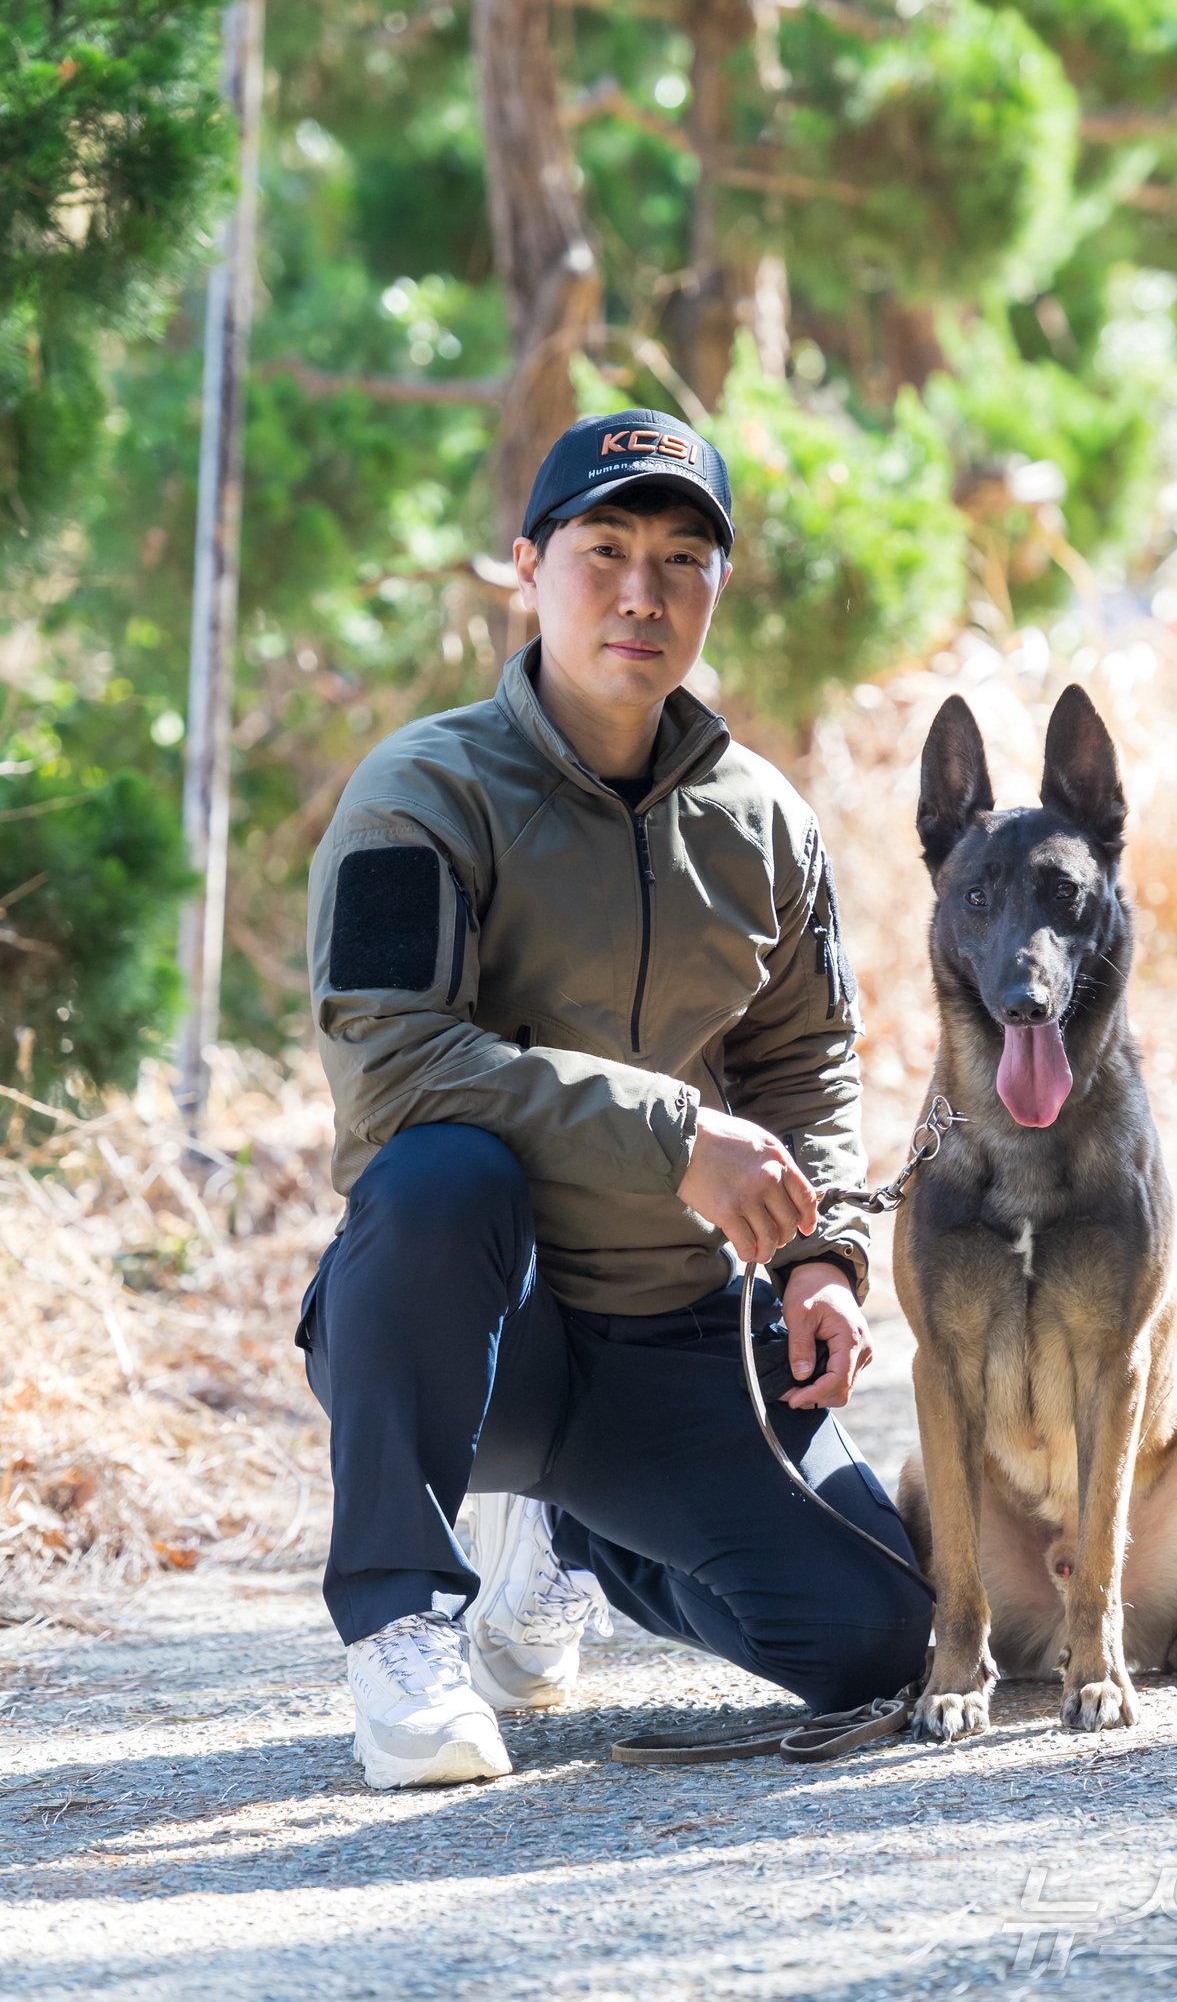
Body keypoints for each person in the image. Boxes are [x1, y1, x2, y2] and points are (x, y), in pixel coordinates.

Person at [300, 408, 931, 1789]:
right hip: (476, 1328)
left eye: (681, 558)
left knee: (883, 1639)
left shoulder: (765, 822)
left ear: (718, 585)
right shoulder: (424, 789)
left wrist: (825, 1252)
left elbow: (809, 1060)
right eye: (604, 550)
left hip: (671, 1340)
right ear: (528, 566)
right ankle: (404, 1622)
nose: (642, 591)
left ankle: (572, 1540)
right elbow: (391, 1059)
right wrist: (673, 1136)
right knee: (437, 1172)